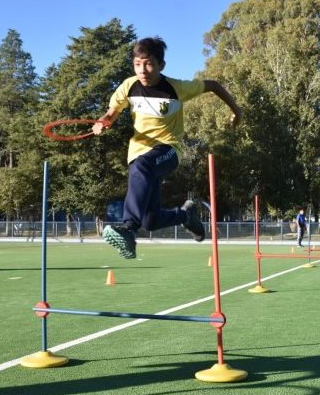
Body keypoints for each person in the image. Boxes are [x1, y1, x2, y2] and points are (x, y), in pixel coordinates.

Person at [92, 37, 242, 259]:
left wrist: (237, 111)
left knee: (141, 168)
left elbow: (213, 85)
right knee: (150, 221)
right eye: (137, 64)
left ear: (161, 65)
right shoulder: (129, 86)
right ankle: (185, 216)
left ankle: (128, 229)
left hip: (168, 150)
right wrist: (103, 122)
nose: (143, 70)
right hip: (139, 153)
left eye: (149, 63)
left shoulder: (176, 88)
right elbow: (111, 113)